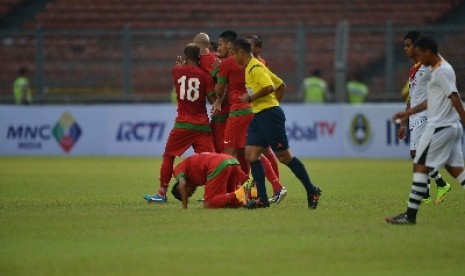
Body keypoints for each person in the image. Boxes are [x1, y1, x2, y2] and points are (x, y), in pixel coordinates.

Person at [232, 38, 322, 209]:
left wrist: (256, 100)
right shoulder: (253, 66)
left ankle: (312, 190)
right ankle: (262, 199)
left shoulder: (255, 67)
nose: (233, 58)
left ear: (240, 53)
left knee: (284, 157)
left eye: (234, 54)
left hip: (269, 115)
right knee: (251, 154)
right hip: (260, 116)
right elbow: (280, 84)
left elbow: (270, 87)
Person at [387, 36, 465, 225]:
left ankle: (410, 216)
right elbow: (431, 101)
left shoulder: (440, 71)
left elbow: (455, 98)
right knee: (456, 170)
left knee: (419, 165)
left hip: (440, 127)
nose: (418, 57)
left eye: (420, 54)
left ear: (428, 52)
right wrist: (408, 114)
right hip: (450, 127)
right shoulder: (440, 69)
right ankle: (411, 214)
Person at [212, 31, 287, 203]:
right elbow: (276, 84)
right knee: (257, 152)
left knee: (229, 154)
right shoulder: (258, 62)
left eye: (221, 44)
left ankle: (230, 191)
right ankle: (261, 188)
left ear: (230, 46)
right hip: (255, 111)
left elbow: (218, 90)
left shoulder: (227, 64)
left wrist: (217, 78)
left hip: (238, 113)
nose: (220, 47)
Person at [144, 44, 216, 203]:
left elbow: (183, 72)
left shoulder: (176, 71)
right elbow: (212, 100)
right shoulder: (205, 76)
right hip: (202, 126)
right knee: (210, 160)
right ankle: (210, 194)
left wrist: (182, 65)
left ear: (185, 57)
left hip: (183, 124)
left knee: (169, 156)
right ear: (199, 58)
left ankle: (162, 193)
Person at [394, 31, 451, 204]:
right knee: (418, 155)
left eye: (408, 45)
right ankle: (426, 194)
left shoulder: (428, 67)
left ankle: (441, 184)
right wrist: (404, 122)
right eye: (404, 45)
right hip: (415, 116)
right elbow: (412, 98)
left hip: (426, 115)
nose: (406, 49)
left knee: (417, 154)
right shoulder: (414, 70)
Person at [170, 153, 249, 209]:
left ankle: (240, 192)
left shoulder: (178, 170)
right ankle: (251, 196)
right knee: (228, 203)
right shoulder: (195, 178)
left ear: (179, 188)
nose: (192, 193)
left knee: (209, 204)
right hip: (231, 161)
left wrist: (185, 206)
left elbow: (182, 184)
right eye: (190, 195)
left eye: (187, 193)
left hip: (219, 164)